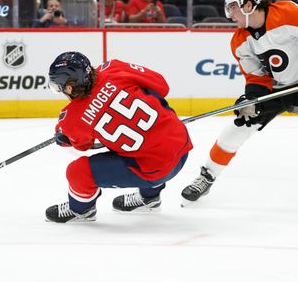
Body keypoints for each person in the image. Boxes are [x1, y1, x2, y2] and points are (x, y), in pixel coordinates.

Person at [180, 0, 298, 220]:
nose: (229, 14)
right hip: (277, 88)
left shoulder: (289, 13)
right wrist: (251, 100)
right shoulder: (240, 41)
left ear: (249, 4)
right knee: (239, 126)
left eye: (232, 7)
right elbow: (257, 78)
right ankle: (207, 176)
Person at [44, 52, 192, 222]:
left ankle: (81, 210)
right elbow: (162, 86)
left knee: (78, 172)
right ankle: (149, 198)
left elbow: (82, 145)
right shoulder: (114, 68)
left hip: (156, 171)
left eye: (59, 87)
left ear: (70, 86)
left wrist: (63, 137)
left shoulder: (72, 118)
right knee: (149, 147)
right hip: (181, 144)